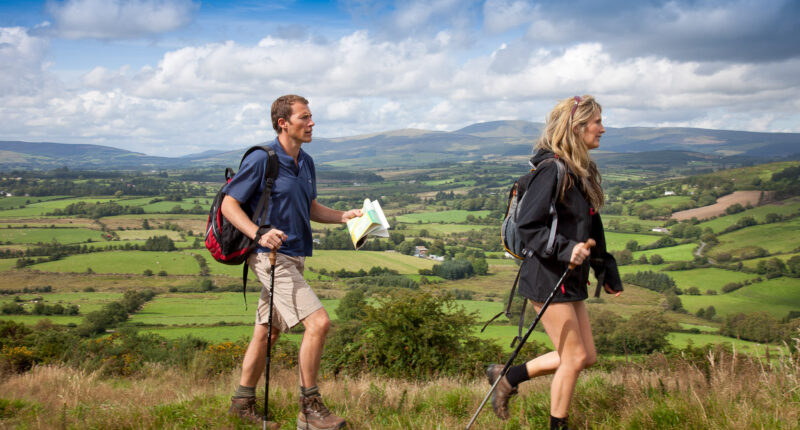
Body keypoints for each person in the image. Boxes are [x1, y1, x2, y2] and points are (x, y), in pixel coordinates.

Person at [486, 95, 623, 430]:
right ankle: (557, 425)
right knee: (574, 358)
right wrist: (566, 250)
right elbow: (528, 226)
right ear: (577, 127)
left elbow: (591, 224)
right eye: (597, 123)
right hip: (548, 275)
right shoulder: (553, 170)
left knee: (585, 356)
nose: (603, 129)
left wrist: (605, 269)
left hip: (568, 276)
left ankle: (507, 377)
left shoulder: (580, 170)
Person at [223, 94, 360, 430]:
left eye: (311, 117)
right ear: (283, 123)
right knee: (319, 323)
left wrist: (344, 216)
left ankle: (242, 405)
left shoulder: (307, 161)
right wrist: (258, 234)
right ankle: (309, 409)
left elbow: (309, 206)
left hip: (295, 256)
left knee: (266, 333)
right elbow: (229, 204)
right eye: (305, 118)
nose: (311, 123)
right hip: (269, 258)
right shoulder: (262, 159)